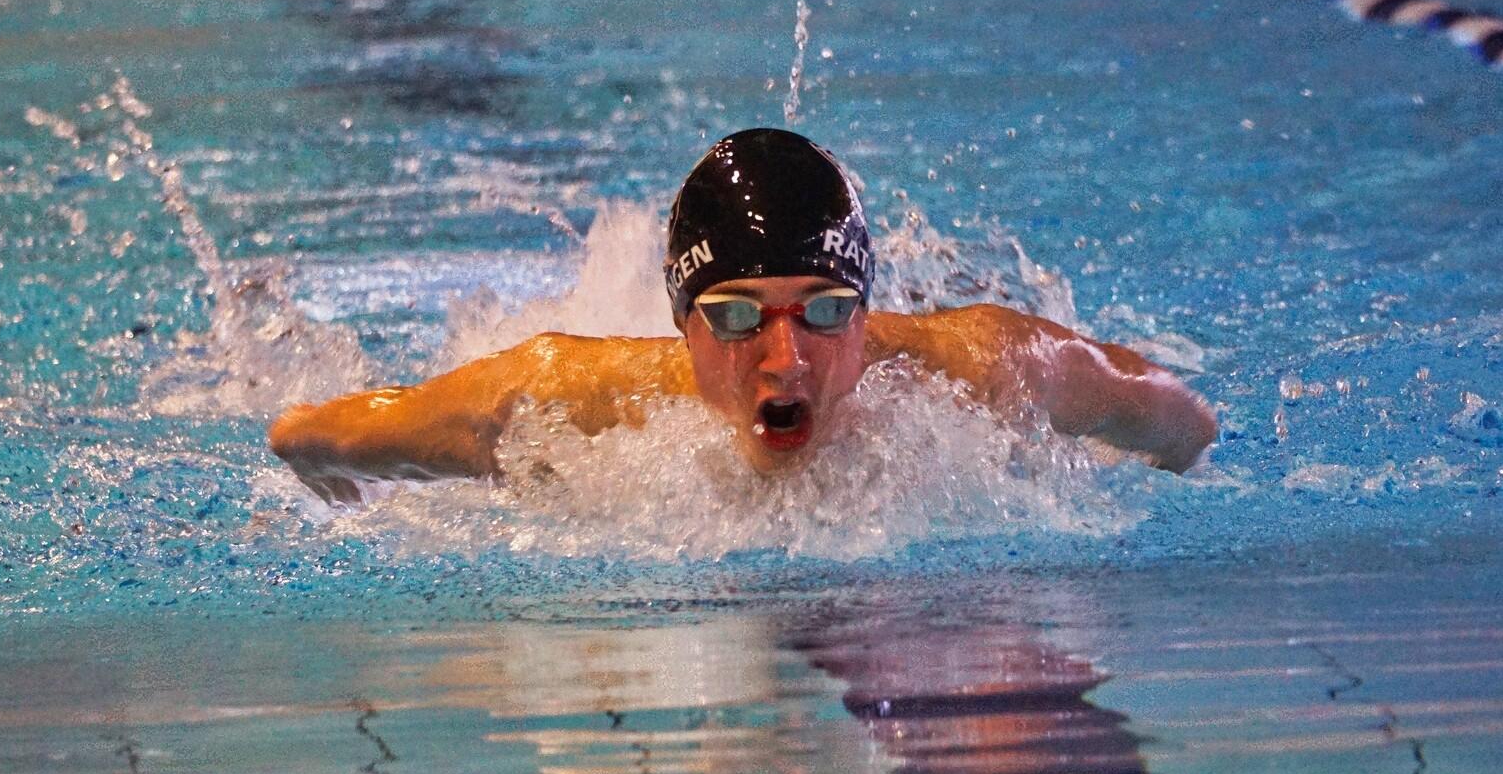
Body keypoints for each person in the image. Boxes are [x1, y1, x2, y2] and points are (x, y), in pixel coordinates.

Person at [270, 128, 1215, 502]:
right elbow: (310, 433)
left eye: (824, 311)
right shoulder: (560, 396)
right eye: (732, 317)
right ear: (680, 322)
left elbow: (1185, 424)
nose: (783, 359)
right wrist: (330, 475)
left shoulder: (990, 370)